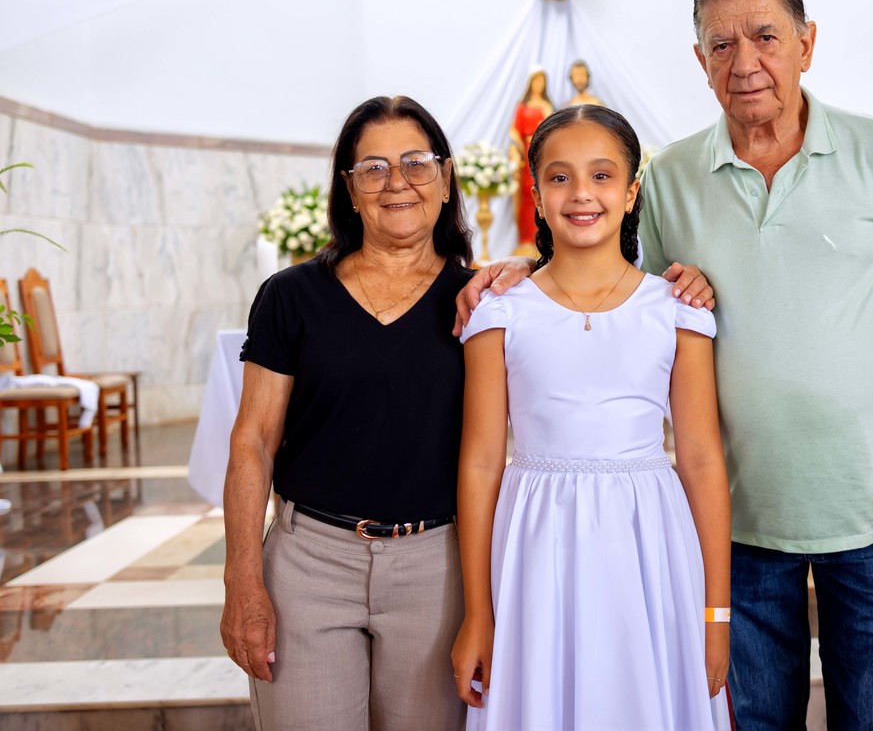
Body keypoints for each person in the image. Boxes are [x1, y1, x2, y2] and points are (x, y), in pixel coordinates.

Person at [458, 0, 873, 731]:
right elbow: (621, 293)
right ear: (700, 61)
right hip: (736, 516)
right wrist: (523, 268)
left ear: (806, 42)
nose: (744, 61)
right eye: (722, 44)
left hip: (870, 503)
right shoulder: (673, 177)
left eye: (765, 36)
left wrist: (845, 386)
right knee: (755, 720)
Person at [451, 105, 732, 730]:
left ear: (632, 192)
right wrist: (478, 612)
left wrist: (716, 615)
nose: (582, 193)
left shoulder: (677, 310)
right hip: (534, 542)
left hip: (648, 542)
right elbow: (480, 463)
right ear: (536, 195)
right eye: (560, 177)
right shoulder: (500, 312)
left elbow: (702, 459)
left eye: (602, 175)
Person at [220, 95, 475, 730]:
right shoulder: (291, 297)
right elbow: (253, 441)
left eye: (416, 163)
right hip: (309, 566)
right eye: (373, 168)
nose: (397, 183)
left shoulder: (480, 300)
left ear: (445, 178)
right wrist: (242, 580)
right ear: (349, 190)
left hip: (437, 569)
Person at [508, 68, 555, 256]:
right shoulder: (523, 106)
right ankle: (525, 240)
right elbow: (515, 132)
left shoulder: (547, 106)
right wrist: (517, 151)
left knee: (542, 192)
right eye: (536, 81)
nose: (538, 85)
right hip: (526, 153)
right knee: (527, 194)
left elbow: (551, 130)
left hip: (541, 152)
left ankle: (542, 238)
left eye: (542, 81)